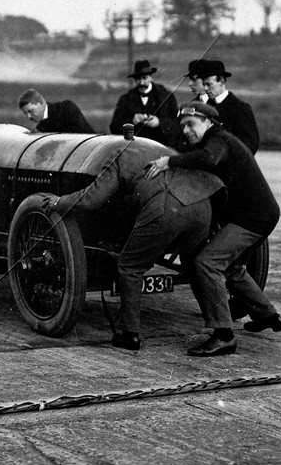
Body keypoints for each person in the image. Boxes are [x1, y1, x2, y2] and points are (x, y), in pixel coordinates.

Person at [43, 147, 224, 351]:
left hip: (166, 208)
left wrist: (61, 201)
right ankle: (221, 328)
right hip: (202, 207)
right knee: (194, 263)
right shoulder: (157, 148)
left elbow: (94, 198)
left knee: (129, 267)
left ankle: (130, 335)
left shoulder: (117, 155)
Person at [146, 102, 281, 357]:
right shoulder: (216, 141)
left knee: (207, 263)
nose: (186, 130)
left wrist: (169, 162)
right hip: (258, 214)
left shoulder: (219, 140)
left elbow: (209, 158)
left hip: (252, 218)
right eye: (183, 126)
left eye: (191, 124)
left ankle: (223, 336)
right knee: (230, 267)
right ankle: (267, 315)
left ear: (209, 122)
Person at [109, 59, 181, 148]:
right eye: (138, 79)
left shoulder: (166, 96)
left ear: (151, 77)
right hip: (135, 149)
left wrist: (159, 123)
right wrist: (132, 121)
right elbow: (114, 127)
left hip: (162, 148)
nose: (141, 82)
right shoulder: (125, 99)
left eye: (144, 78)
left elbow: (177, 125)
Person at [198, 59, 260, 155]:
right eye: (204, 84)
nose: (205, 88)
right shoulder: (205, 107)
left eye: (209, 84)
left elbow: (250, 145)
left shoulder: (241, 108)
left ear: (222, 82)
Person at [18, 88, 95, 133]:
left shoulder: (66, 108)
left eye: (31, 111)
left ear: (40, 102)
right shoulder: (41, 127)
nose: (29, 117)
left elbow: (78, 132)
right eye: (25, 113)